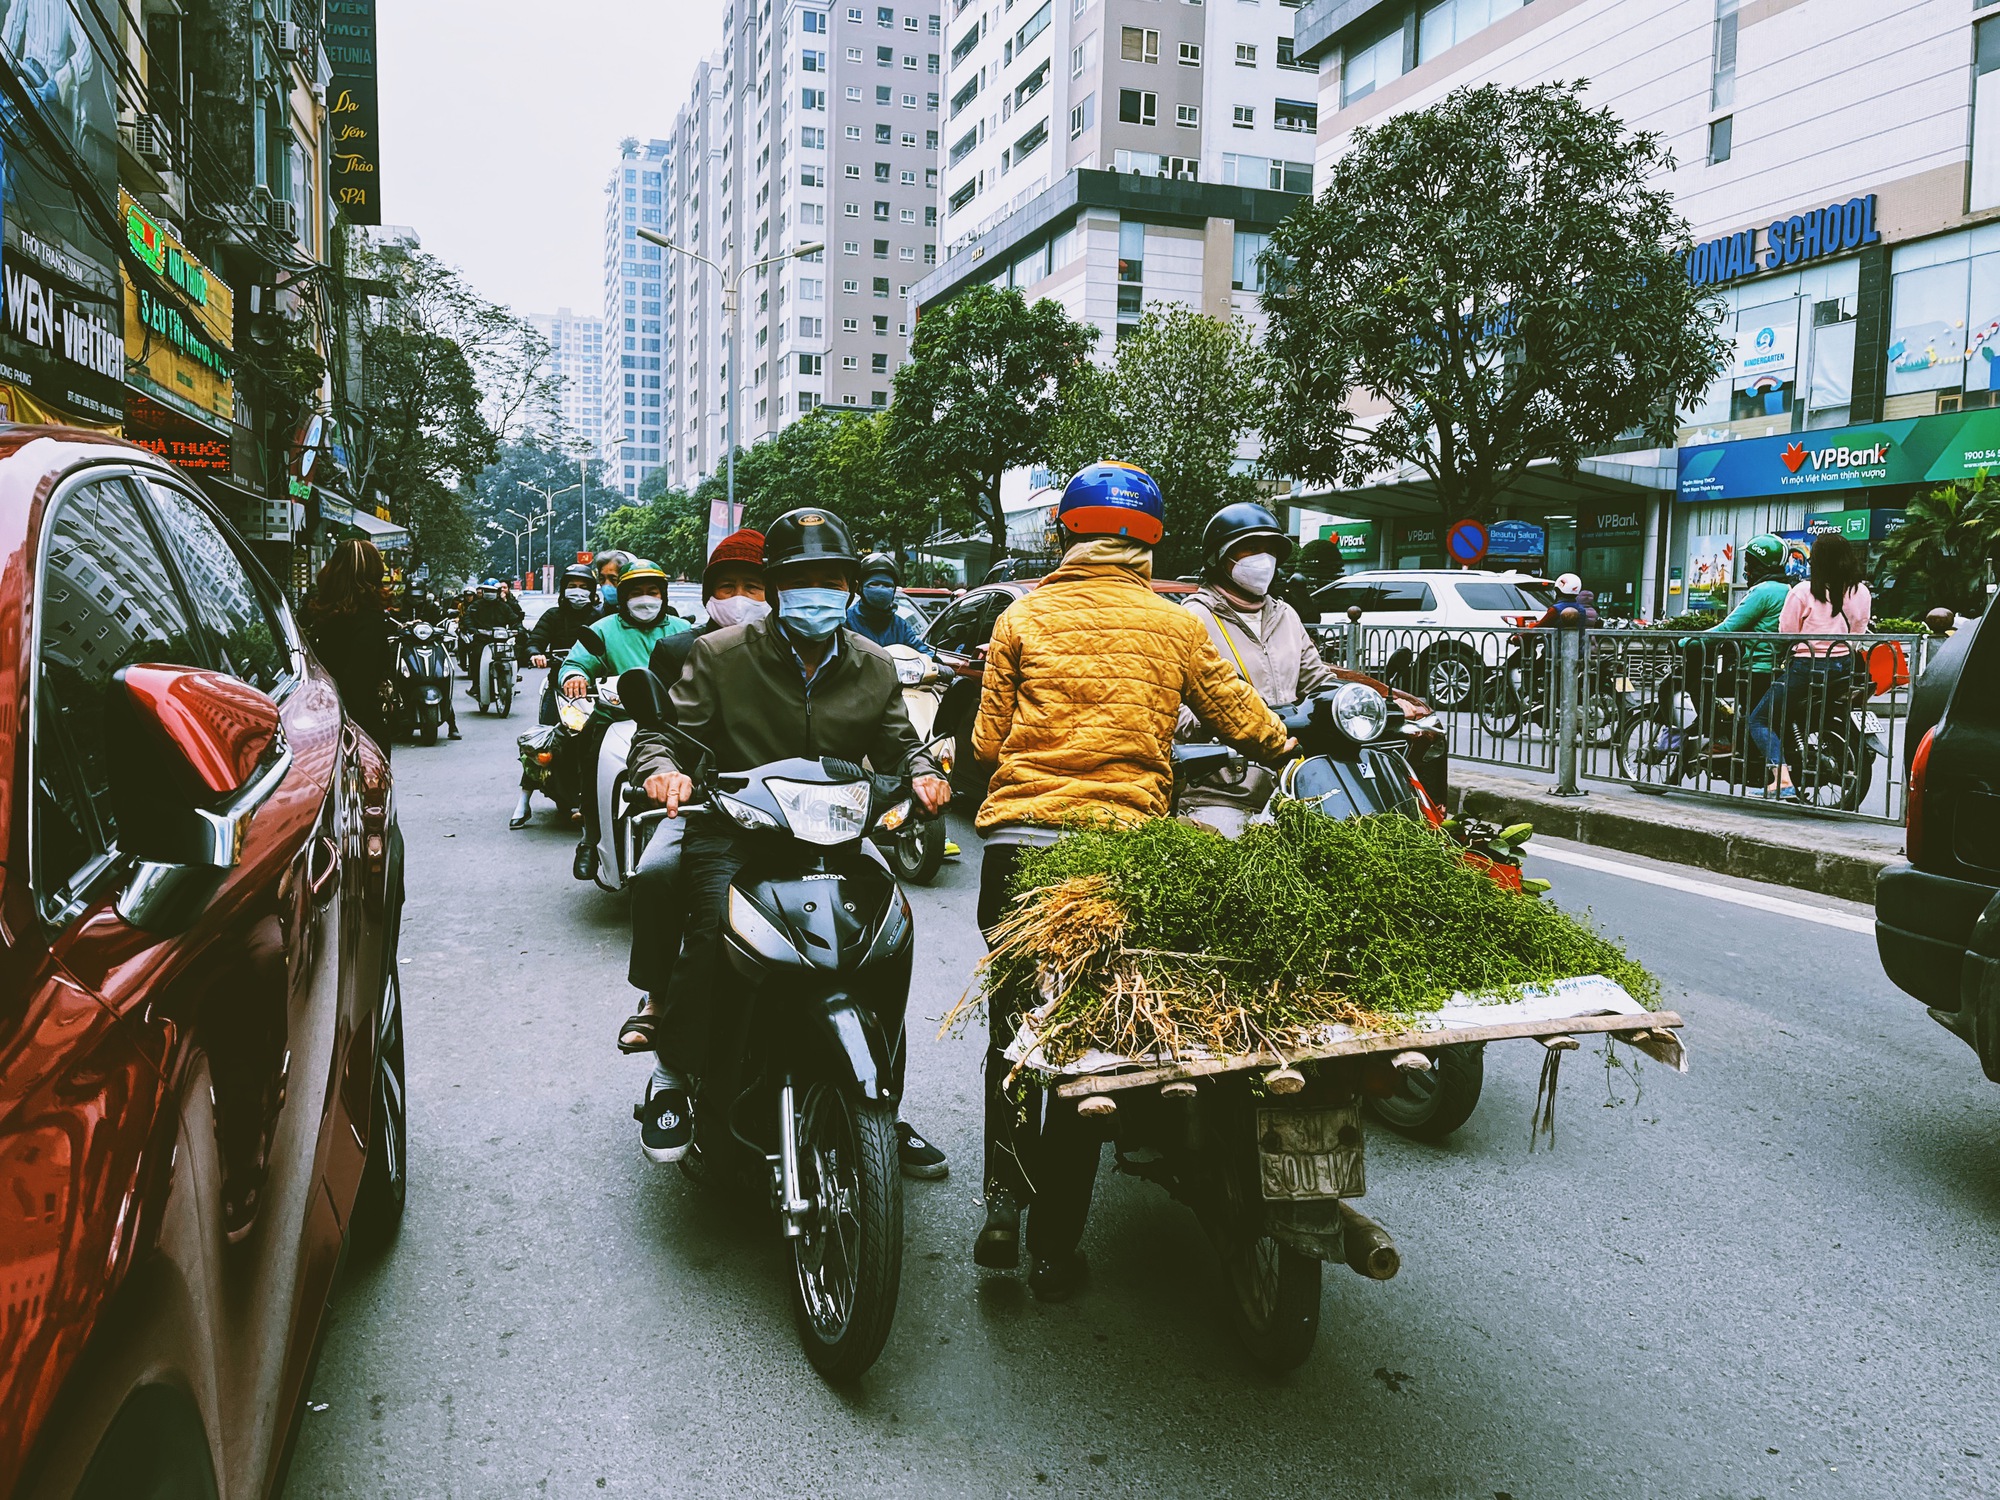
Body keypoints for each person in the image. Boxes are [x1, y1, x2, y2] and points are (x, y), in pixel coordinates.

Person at [969, 462, 1293, 1301]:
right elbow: (1246, 721)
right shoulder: (1176, 625)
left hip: (1018, 846)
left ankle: (1001, 1206)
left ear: (1064, 534)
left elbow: (985, 742)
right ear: (1150, 543)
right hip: (1118, 853)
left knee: (1013, 1030)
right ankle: (1054, 1250)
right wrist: (1294, 749)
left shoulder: (1020, 616)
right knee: (1087, 1044)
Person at [625, 507, 952, 1175]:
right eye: (802, 578)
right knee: (715, 930)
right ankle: (676, 1076)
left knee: (886, 945)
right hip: (736, 831)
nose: (818, 591)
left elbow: (899, 745)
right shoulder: (717, 656)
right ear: (774, 588)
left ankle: (878, 1104)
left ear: (850, 587)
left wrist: (922, 774)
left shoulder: (873, 663)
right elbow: (666, 737)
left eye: (832, 578)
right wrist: (664, 773)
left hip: (835, 835)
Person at [617, 528, 766, 1054]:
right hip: (707, 803)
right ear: (706, 594)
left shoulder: (802, 652)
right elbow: (657, 733)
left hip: (796, 808)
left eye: (754, 585)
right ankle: (658, 998)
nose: (741, 599)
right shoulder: (680, 648)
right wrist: (667, 772)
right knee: (656, 873)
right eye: (727, 587)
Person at [559, 558, 690, 876]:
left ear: (664, 595)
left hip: (675, 723)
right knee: (591, 763)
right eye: (637, 592)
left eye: (653, 591)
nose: (646, 599)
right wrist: (574, 675)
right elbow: (575, 662)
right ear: (624, 596)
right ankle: (590, 839)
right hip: (614, 719)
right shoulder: (603, 630)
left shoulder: (683, 631)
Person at [1749, 531, 1871, 800]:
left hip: (1808, 667)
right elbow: (1860, 630)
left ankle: (1781, 780)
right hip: (1845, 666)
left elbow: (1787, 631)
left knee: (1759, 719)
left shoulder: (1803, 591)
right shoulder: (1861, 591)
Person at [1184, 501, 1340, 708]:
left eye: (1270, 550)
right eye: (1251, 548)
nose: (1264, 559)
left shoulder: (1285, 615)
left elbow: (1317, 680)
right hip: (1227, 740)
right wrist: (1224, 725)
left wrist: (1367, 702)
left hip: (1291, 738)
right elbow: (1173, 705)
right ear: (1219, 557)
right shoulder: (1193, 619)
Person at [1688, 533, 1789, 775]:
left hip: (1755, 669)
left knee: (1698, 683)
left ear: (1758, 563)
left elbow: (1728, 627)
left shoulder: (1762, 592)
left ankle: (1721, 735)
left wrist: (1686, 641)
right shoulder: (1788, 589)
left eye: (1748, 561)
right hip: (1777, 668)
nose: (1745, 567)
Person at [303, 539, 399, 755]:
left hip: (315, 720)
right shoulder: (370, 619)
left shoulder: (316, 611)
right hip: (359, 730)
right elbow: (359, 683)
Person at [844, 552, 931, 652]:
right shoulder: (846, 621)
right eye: (874, 584)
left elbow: (921, 651)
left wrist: (937, 664)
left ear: (894, 590)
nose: (881, 589)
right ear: (859, 588)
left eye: (887, 585)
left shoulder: (900, 626)